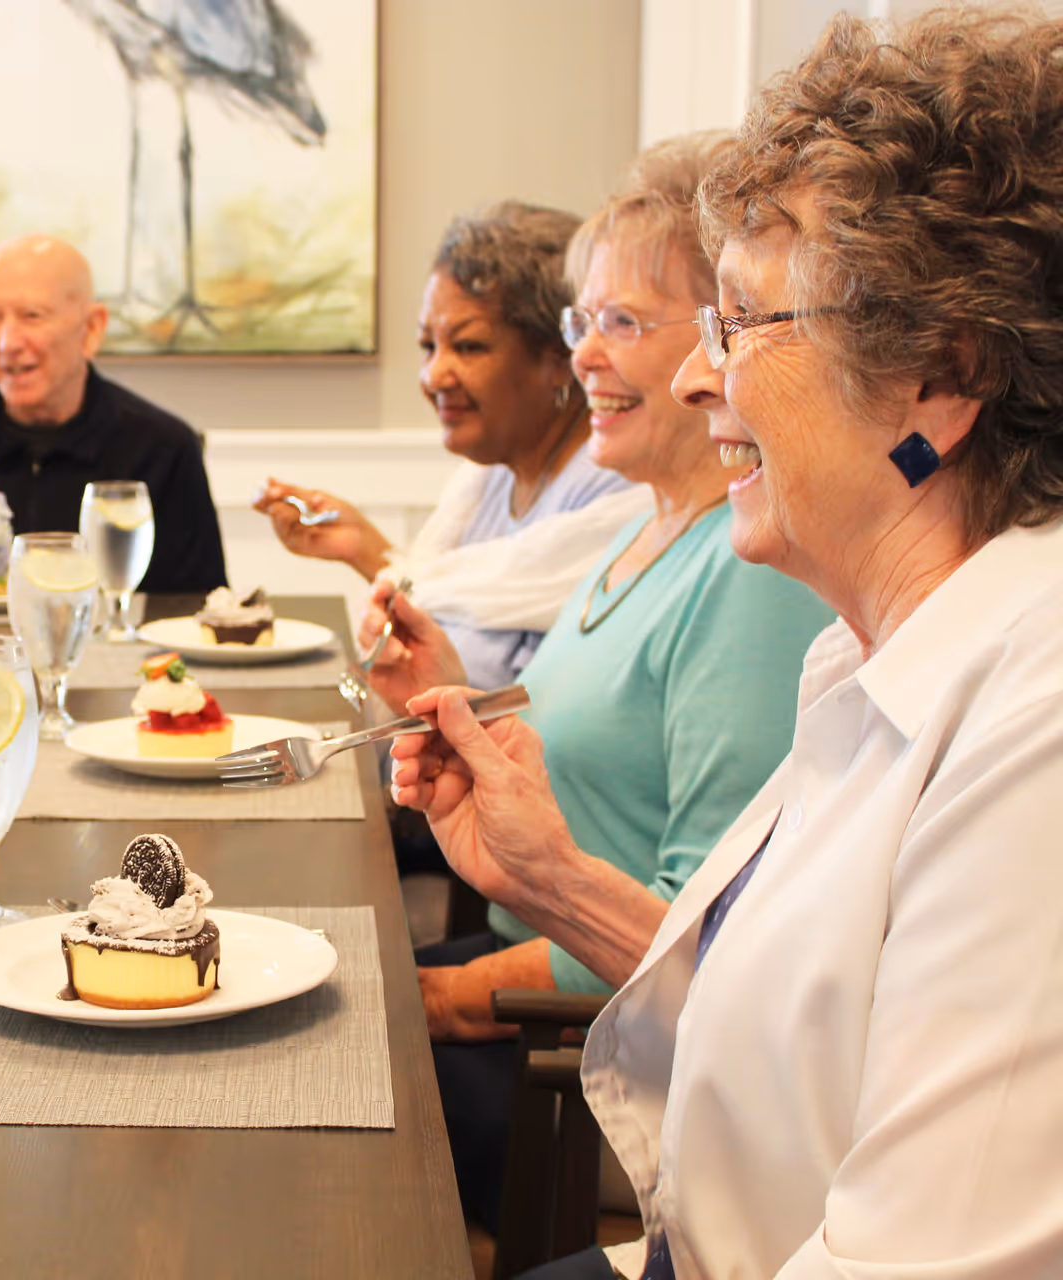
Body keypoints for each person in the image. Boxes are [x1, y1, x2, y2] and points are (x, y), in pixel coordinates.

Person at [397, 11, 1063, 1277]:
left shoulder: (1036, 735)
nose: (707, 380)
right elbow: (792, 1045)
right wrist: (552, 878)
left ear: (941, 374)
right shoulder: (865, 659)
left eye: (744, 322)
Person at [386, 136, 839, 1235]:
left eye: (625, 322)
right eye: (583, 321)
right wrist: (449, 688)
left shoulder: (749, 580)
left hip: (582, 1055)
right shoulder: (648, 527)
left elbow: (704, 924)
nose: (586, 354)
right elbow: (583, 754)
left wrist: (441, 997)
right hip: (526, 977)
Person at [255, 202, 648, 693]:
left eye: (468, 347)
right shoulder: (487, 477)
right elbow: (444, 604)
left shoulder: (619, 494)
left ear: (557, 359)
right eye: (427, 346)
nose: (433, 375)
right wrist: (365, 550)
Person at [0, 234, 225, 593]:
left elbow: (197, 612)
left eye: (32, 316)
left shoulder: (163, 448)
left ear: (92, 329)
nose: (7, 342)